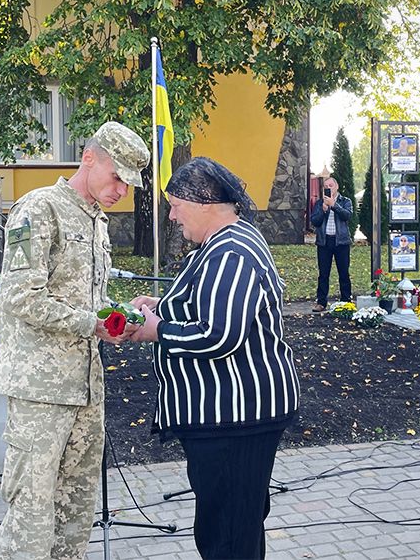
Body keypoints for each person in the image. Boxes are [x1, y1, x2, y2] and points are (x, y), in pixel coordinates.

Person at [0, 122, 149, 560]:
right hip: (40, 388)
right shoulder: (37, 209)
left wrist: (116, 314)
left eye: (129, 184)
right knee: (32, 508)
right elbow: (21, 295)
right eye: (118, 178)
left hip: (83, 384)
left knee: (76, 505)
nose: (122, 191)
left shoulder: (95, 219)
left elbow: (84, 295)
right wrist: (89, 323)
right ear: (89, 157)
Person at [128, 157, 300, 560]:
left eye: (175, 205)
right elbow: (209, 305)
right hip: (226, 418)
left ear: (203, 203)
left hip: (234, 421)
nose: (171, 216)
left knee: (226, 537)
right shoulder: (222, 245)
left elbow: (218, 334)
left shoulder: (231, 253)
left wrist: (156, 330)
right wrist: (161, 304)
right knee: (233, 529)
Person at [309, 177, 353, 313]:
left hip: (341, 242)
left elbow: (347, 216)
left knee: (344, 273)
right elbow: (314, 222)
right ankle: (321, 302)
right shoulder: (319, 203)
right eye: (326, 186)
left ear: (337, 187)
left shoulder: (345, 201)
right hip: (324, 242)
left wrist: (334, 205)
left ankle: (346, 301)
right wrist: (323, 210)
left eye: (331, 185)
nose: (328, 188)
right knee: (323, 274)